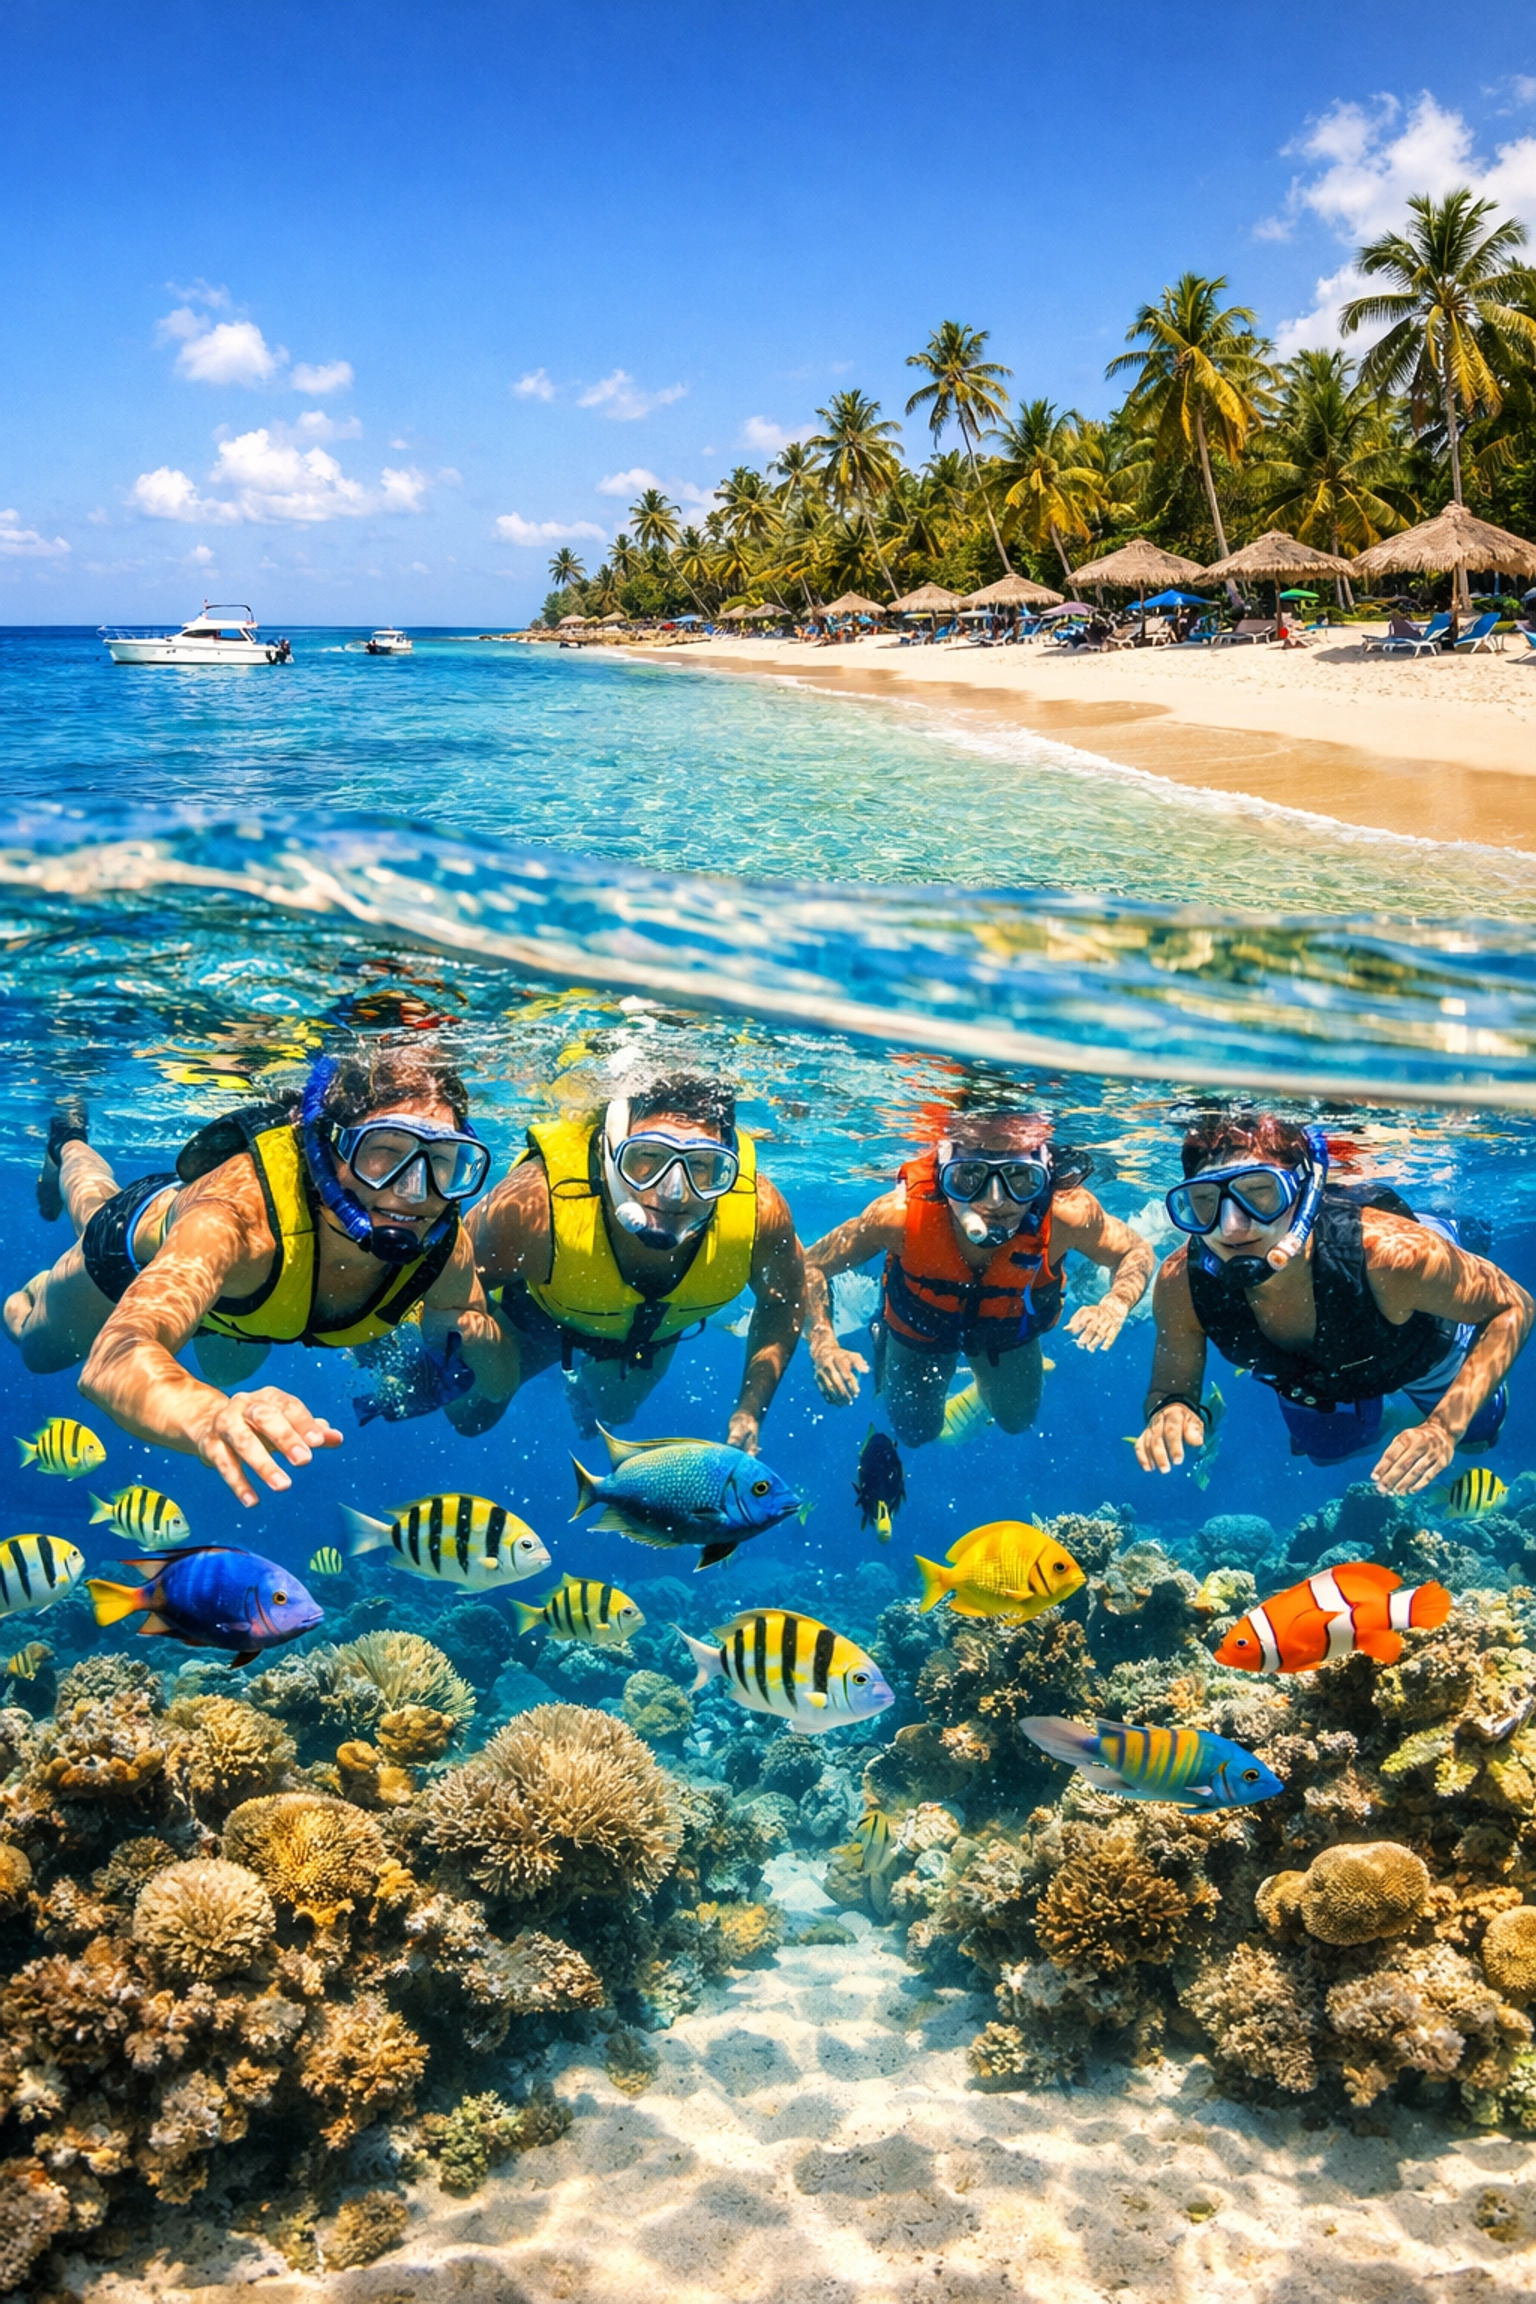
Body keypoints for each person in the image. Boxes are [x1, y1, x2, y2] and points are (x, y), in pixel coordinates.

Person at [5, 1046, 505, 1506]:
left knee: (229, 1369)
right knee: (40, 1342)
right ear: (325, 1150)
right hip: (137, 1250)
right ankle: (68, 1146)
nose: (414, 1192)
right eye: (384, 1151)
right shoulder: (234, 1218)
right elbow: (116, 1355)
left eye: (443, 1162)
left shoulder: (440, 1248)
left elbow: (488, 1362)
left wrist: (462, 1349)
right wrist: (204, 1417)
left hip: (245, 1306)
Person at [1134, 1110, 1532, 1495]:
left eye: (1259, 1193)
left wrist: (1444, 1428)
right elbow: (1170, 1390)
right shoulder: (1181, 1284)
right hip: (1314, 1376)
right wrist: (1172, 1409)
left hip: (1417, 1347)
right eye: (1204, 1201)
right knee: (1327, 1451)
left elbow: (1515, 1306)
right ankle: (1385, 1415)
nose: (1231, 1227)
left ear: (1306, 1193)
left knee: (1476, 1437)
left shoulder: (1391, 1257)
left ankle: (1453, 1229)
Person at [452, 1072, 804, 1451]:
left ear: (727, 1167)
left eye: (702, 1166)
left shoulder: (761, 1214)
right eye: (648, 1158)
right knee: (471, 1417)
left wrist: (751, 1409)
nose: (674, 1193)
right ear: (612, 1151)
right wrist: (480, 1349)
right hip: (537, 1318)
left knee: (614, 1414)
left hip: (648, 1333)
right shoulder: (535, 1205)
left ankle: (582, 1379)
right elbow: (447, 1277)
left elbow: (783, 1300)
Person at [802, 1110, 1155, 1446]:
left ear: (1043, 1176)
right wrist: (823, 1343)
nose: (996, 1200)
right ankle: (889, 1336)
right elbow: (810, 1265)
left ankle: (981, 1381)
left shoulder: (1068, 1214)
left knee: (1018, 1421)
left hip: (1006, 1328)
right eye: (970, 1176)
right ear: (945, 1175)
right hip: (920, 1326)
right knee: (915, 1431)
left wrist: (1115, 1304)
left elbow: (1136, 1251)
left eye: (1020, 1177)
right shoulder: (898, 1217)